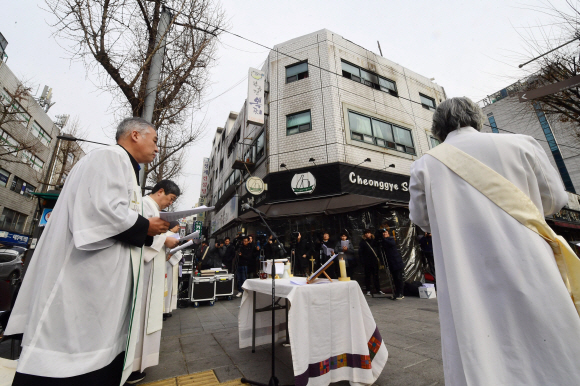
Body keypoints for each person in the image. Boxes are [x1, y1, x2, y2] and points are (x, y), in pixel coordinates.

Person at [409, 97, 580, 385]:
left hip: (464, 270)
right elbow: (556, 200)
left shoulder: (424, 166)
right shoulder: (522, 144)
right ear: (478, 119)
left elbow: (422, 219)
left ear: (437, 129)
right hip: (529, 258)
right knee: (551, 337)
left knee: (478, 339)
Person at [5, 117, 169, 386]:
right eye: (155, 140)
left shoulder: (122, 166)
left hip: (99, 282)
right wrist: (144, 225)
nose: (157, 148)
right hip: (82, 278)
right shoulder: (110, 157)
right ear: (136, 135)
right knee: (70, 356)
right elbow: (100, 211)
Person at [129, 180, 181, 383]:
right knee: (140, 318)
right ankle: (132, 366)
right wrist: (165, 239)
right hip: (144, 272)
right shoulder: (143, 204)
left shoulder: (152, 207)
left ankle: (139, 363)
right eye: (171, 198)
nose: (170, 203)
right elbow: (141, 233)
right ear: (161, 191)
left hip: (153, 269)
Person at [378, 228, 405, 300]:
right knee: (395, 278)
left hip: (397, 262)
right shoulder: (384, 241)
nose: (384, 234)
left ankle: (401, 293)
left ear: (388, 233)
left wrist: (383, 239)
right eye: (383, 233)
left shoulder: (390, 239)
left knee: (398, 278)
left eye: (385, 232)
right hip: (391, 263)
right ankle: (397, 293)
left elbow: (391, 243)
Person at [358, 229, 385, 296]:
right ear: (364, 234)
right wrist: (362, 262)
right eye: (366, 233)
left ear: (371, 234)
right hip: (367, 262)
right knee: (367, 276)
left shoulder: (374, 241)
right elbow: (360, 253)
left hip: (375, 261)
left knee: (376, 276)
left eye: (368, 233)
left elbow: (378, 251)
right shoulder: (362, 242)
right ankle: (368, 290)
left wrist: (381, 260)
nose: (367, 234)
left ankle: (378, 289)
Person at [164, 222, 181, 320]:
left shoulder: (174, 236)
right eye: (177, 225)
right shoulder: (167, 235)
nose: (179, 227)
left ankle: (167, 309)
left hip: (172, 264)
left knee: (170, 287)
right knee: (166, 286)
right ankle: (164, 310)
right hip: (168, 264)